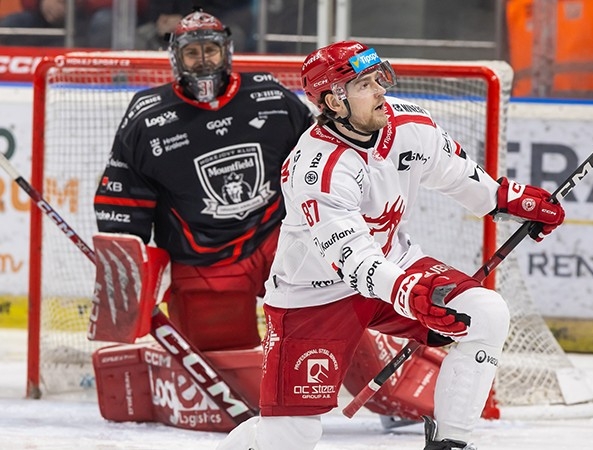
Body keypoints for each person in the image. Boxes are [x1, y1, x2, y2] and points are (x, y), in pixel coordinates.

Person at [218, 41, 566, 450]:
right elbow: (350, 256)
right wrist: (405, 292)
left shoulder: (408, 123)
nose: (382, 89)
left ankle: (450, 443)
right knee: (290, 437)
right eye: (365, 84)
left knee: (485, 312)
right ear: (335, 100)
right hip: (314, 294)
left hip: (393, 266)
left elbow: (453, 173)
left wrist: (506, 200)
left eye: (380, 76)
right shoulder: (316, 169)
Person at [92, 9, 314, 352]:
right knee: (226, 363)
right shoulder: (147, 116)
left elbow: (320, 161)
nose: (203, 60)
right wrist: (127, 268)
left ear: (226, 52)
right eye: (191, 53)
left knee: (326, 327)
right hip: (204, 258)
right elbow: (125, 195)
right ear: (175, 57)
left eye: (210, 50)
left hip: (280, 239)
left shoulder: (270, 96)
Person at [135, 0, 253, 52]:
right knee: (138, 37)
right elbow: (157, 7)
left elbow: (226, 7)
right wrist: (161, 20)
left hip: (212, 25)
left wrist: (187, 20)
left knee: (235, 35)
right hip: (171, 27)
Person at [0, 0, 114, 48]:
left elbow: (123, 5)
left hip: (90, 15)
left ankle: (96, 69)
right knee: (11, 24)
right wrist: (42, 3)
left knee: (104, 22)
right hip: (45, 15)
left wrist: (80, 3)